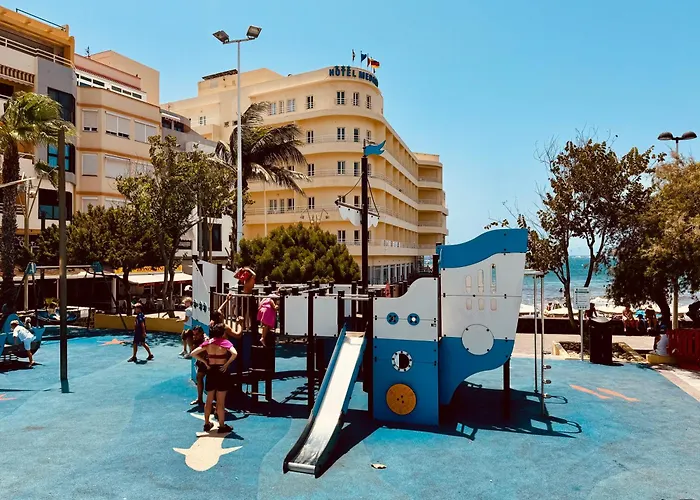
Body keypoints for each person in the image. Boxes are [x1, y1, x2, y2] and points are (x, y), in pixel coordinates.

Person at [190, 323, 238, 433]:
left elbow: (193, 353)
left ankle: (206, 423)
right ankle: (222, 426)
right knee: (220, 401)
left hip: (211, 371)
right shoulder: (225, 342)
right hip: (222, 372)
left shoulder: (209, 343)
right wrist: (226, 364)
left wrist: (205, 362)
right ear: (222, 333)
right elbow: (234, 353)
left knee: (209, 399)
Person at [189, 325, 209, 406]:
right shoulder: (195, 340)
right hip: (202, 362)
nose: (195, 336)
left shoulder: (206, 340)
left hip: (210, 362)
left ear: (201, 333)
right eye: (194, 334)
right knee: (199, 377)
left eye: (197, 334)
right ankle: (199, 399)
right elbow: (193, 352)